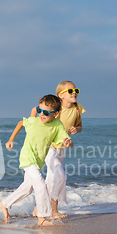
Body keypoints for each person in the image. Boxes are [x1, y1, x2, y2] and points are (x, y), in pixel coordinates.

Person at [0, 94, 73, 226]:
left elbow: (66, 140)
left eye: (45, 112)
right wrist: (11, 140)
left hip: (38, 161)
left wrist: (68, 143)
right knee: (41, 184)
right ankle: (42, 217)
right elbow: (21, 123)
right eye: (39, 110)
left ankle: (4, 204)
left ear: (56, 114)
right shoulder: (34, 121)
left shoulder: (57, 125)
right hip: (27, 158)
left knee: (27, 189)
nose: (41, 115)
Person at [31, 81, 85, 219]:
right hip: (49, 146)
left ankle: (40, 208)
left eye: (76, 91)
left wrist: (75, 130)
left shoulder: (77, 108)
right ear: (61, 95)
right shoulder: (56, 108)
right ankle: (52, 209)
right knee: (60, 176)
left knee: (52, 177)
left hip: (62, 147)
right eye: (71, 91)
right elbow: (41, 117)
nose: (75, 94)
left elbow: (79, 126)